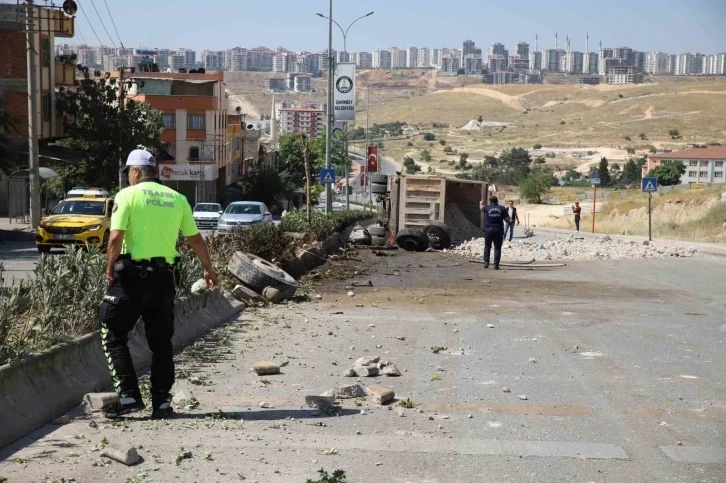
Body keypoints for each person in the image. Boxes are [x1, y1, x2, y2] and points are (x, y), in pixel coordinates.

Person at [100, 149, 219, 419]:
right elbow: (196, 239)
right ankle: (162, 404)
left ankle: (129, 396)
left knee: (112, 332)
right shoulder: (178, 198)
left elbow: (116, 237)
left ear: (136, 172)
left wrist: (109, 271)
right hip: (164, 281)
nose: (128, 178)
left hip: (131, 279)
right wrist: (208, 269)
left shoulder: (127, 195)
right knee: (161, 343)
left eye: (128, 174)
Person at [480, 196, 511, 269]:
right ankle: (496, 265)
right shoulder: (502, 208)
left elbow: (481, 208)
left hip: (489, 230)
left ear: (490, 201)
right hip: (498, 230)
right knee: (497, 248)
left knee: (487, 246)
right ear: (497, 201)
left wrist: (481, 203)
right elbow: (508, 219)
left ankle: (486, 263)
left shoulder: (487, 208)